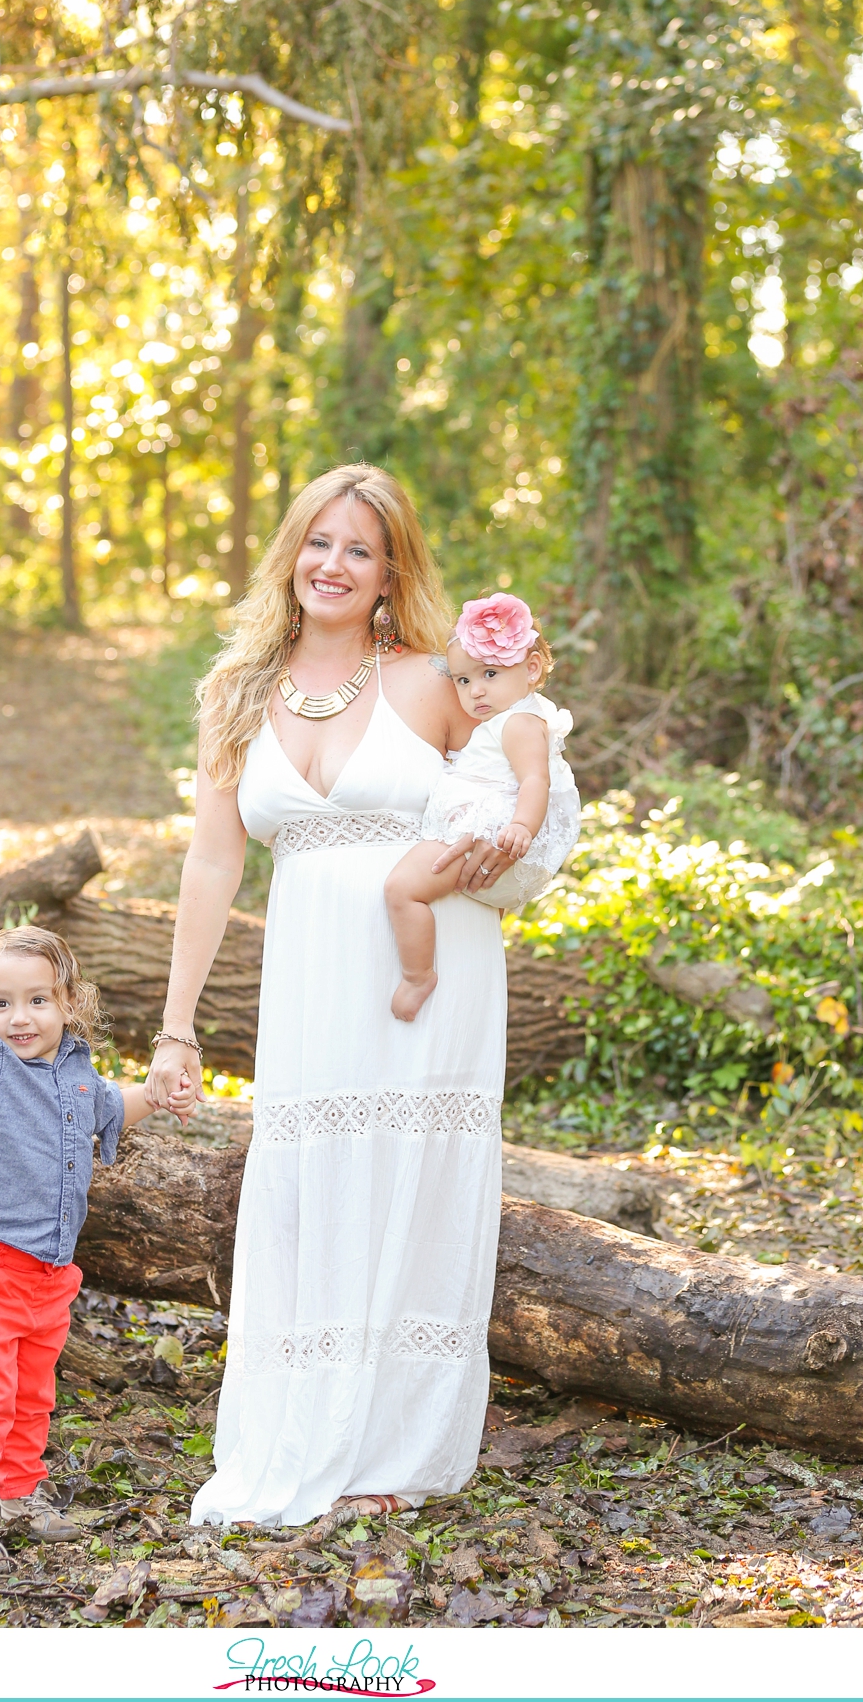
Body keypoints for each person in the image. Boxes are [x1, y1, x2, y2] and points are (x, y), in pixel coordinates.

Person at [144, 463, 518, 1528]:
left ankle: (398, 1445)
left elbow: (517, 804)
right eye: (319, 540)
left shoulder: (434, 681)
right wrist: (177, 1026)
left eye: (360, 547)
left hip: (431, 969)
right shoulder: (236, 692)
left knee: (411, 1173)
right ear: (290, 552)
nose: (333, 564)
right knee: (309, 1189)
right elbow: (213, 864)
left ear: (391, 567)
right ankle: (304, 1427)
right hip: (308, 972)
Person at [0, 925, 193, 1573]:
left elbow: (112, 1105)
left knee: (33, 1395)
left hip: (49, 1272)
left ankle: (18, 1494)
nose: (21, 1016)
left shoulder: (77, 1075)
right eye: (1, 1002)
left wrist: (158, 1094)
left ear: (69, 1002)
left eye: (38, 999)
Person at [385, 592, 581, 1021]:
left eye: (489, 674)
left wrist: (521, 828)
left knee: (401, 889)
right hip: (476, 823)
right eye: (463, 680)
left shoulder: (520, 723)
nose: (476, 691)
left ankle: (418, 975)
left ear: (531, 669)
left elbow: (535, 780)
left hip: (483, 828)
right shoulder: (505, 719)